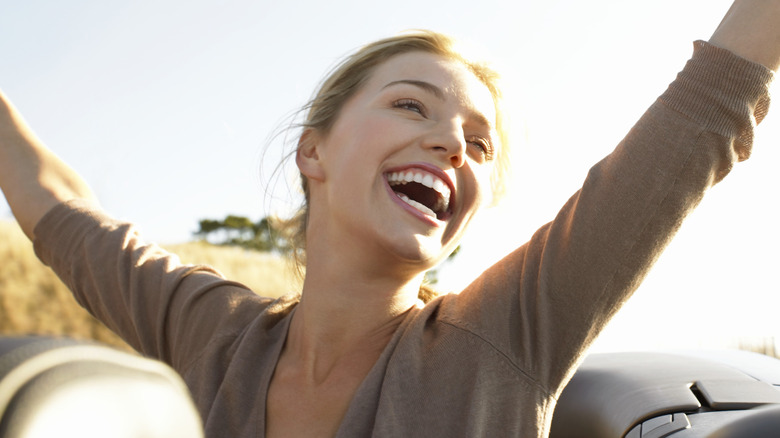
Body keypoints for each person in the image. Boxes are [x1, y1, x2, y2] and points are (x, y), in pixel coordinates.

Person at [0, 1, 778, 437]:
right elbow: (59, 208)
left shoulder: (506, 336)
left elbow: (700, 112)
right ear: (314, 153)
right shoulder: (212, 334)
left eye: (480, 146)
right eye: (411, 104)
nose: (452, 145)